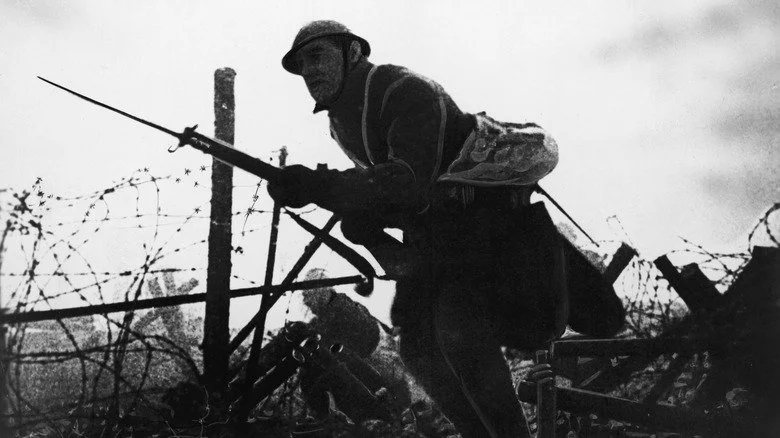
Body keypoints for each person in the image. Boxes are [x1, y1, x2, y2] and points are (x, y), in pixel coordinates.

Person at [269, 20, 624, 437]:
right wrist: (332, 196)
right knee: (419, 353)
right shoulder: (341, 120)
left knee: (460, 333)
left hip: (486, 227)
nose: (309, 71)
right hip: (435, 236)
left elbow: (407, 180)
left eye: (318, 56)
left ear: (352, 54)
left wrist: (321, 185)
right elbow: (386, 191)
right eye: (301, 64)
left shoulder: (404, 90)